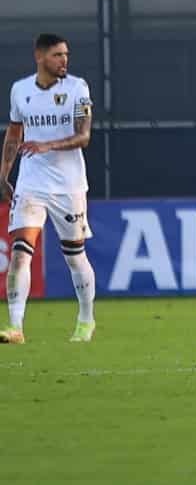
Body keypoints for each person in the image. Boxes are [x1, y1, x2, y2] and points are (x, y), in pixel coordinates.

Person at [1, 34, 97, 344]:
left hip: (69, 185)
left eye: (66, 54)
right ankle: (15, 327)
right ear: (40, 57)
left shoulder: (77, 89)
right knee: (20, 252)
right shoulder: (20, 90)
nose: (64, 60)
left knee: (75, 256)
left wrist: (48, 144)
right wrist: (3, 173)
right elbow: (14, 134)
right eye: (57, 55)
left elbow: (84, 136)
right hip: (32, 182)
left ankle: (86, 319)